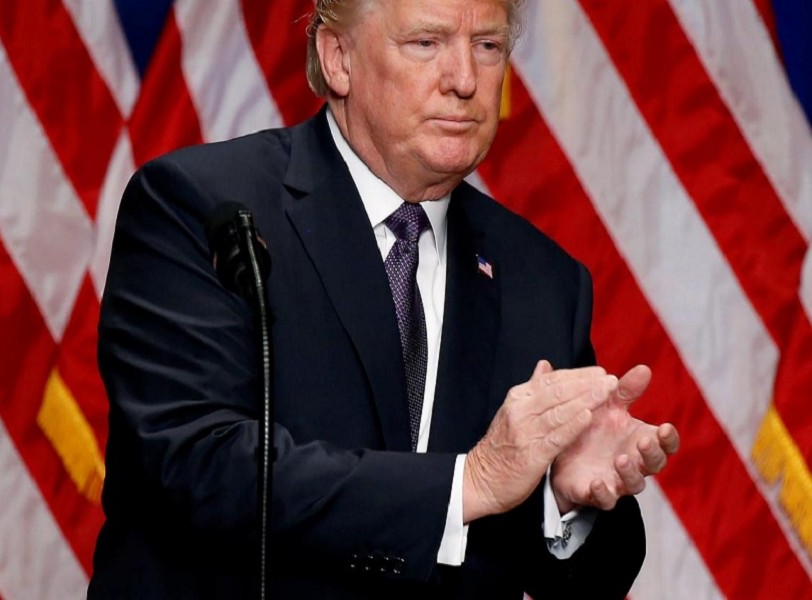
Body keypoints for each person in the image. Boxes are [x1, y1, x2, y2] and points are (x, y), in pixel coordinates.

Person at [89, 0, 680, 597]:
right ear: (338, 58)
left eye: (487, 46)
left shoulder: (543, 280)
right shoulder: (203, 207)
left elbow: (588, 579)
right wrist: (468, 484)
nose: (465, 79)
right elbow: (194, 465)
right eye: (427, 43)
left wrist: (563, 500)